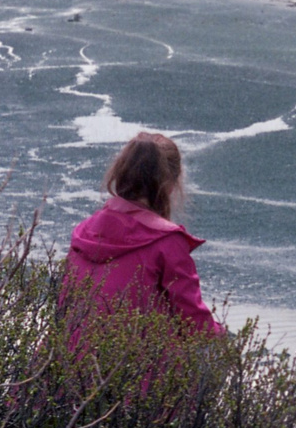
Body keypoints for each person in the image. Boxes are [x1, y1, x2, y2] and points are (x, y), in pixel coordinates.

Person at [64, 131, 225, 337]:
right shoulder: (167, 242)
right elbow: (196, 326)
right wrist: (225, 338)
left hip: (69, 359)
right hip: (135, 364)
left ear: (120, 175)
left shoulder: (84, 233)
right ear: (169, 186)